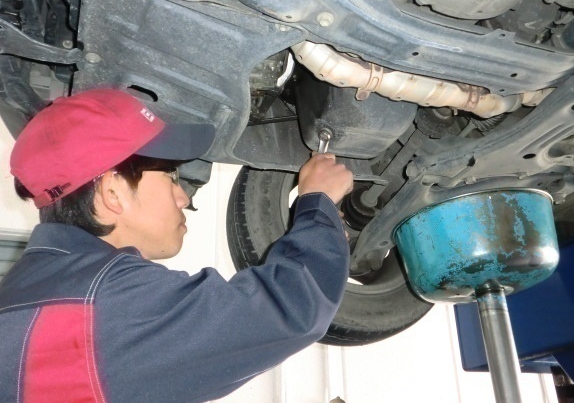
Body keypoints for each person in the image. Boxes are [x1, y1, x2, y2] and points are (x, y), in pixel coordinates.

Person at [0, 88, 353, 402]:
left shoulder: (19, 301)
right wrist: (316, 203)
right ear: (113, 193)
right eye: (170, 176)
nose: (183, 197)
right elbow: (291, 309)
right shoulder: (109, 307)